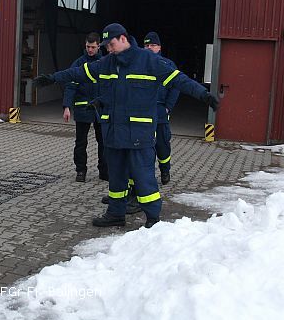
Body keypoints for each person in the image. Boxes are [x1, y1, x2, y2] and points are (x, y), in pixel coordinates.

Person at [34, 23, 219, 228]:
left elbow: (180, 81)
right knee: (117, 177)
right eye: (105, 46)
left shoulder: (149, 61)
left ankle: (153, 219)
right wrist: (52, 78)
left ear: (123, 39)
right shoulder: (106, 63)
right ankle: (116, 214)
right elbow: (77, 73)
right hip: (113, 132)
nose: (109, 49)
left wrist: (204, 95)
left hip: (139, 133)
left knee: (143, 176)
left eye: (111, 44)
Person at [62, 32, 108, 182]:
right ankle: (81, 171)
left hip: (101, 110)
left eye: (93, 47)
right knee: (81, 142)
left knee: (104, 142)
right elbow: (70, 86)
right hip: (83, 110)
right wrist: (67, 106)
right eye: (88, 47)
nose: (90, 50)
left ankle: (104, 171)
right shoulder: (79, 63)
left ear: (99, 46)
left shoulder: (105, 62)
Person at [143, 31, 179, 185]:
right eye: (146, 45)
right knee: (144, 145)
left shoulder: (168, 65)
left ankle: (165, 170)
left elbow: (176, 87)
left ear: (159, 47)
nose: (149, 48)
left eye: (153, 45)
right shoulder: (139, 65)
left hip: (160, 110)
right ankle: (147, 175)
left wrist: (168, 107)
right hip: (143, 112)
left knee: (162, 145)